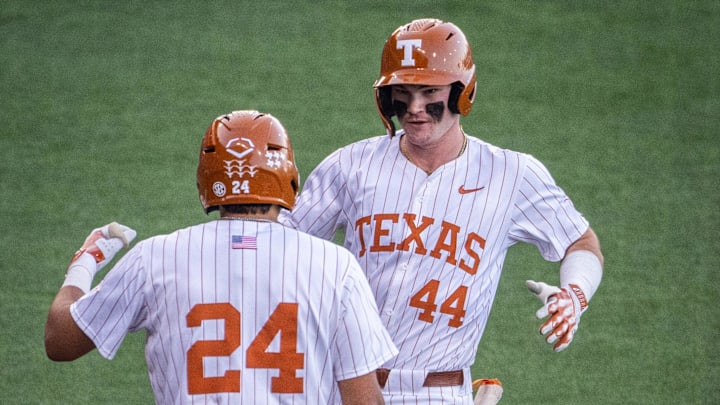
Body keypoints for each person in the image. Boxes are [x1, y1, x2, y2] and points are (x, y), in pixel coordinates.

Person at [278, 18, 604, 404]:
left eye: (430, 91)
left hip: (439, 393)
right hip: (345, 386)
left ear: (461, 93)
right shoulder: (350, 165)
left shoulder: (513, 175)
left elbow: (580, 241)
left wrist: (574, 295)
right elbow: (283, 242)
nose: (415, 108)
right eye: (403, 92)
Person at [45, 110, 398, 404]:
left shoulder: (154, 258)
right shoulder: (335, 267)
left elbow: (60, 341)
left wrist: (84, 261)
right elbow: (363, 400)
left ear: (207, 181)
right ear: (287, 177)